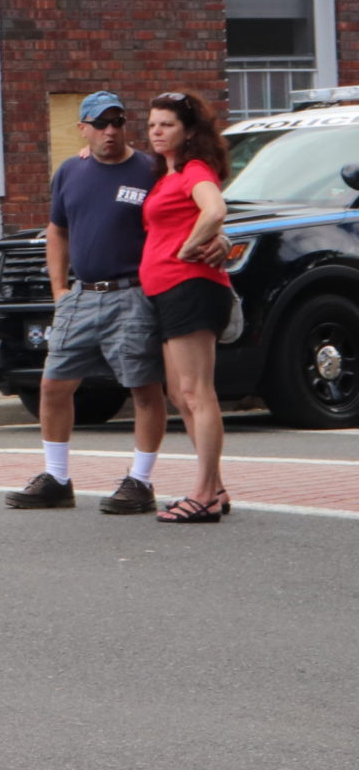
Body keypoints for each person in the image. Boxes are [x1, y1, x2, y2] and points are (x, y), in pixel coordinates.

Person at [5, 92, 169, 513]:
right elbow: (57, 230)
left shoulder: (150, 170)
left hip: (132, 293)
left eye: (117, 122)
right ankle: (57, 479)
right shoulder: (70, 171)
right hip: (81, 295)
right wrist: (59, 289)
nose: (110, 131)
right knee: (53, 385)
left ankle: (140, 481)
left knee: (144, 388)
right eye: (100, 124)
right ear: (83, 129)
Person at [140, 91, 233, 524]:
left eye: (167, 125)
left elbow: (215, 210)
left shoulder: (194, 169)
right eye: (152, 124)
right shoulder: (166, 175)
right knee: (179, 394)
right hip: (167, 292)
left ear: (189, 131)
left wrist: (189, 247)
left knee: (198, 393)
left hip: (190, 287)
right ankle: (215, 488)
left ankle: (205, 495)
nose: (157, 132)